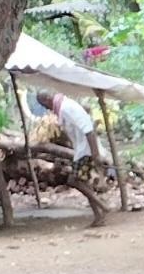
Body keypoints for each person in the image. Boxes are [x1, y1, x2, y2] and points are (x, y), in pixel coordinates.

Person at [33, 89, 107, 227]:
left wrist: (95, 154)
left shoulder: (67, 108)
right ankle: (99, 215)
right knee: (83, 183)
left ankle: (102, 206)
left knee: (74, 180)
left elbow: (88, 129)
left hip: (87, 150)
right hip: (83, 149)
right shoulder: (64, 107)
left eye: (44, 105)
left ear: (47, 100)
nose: (46, 108)